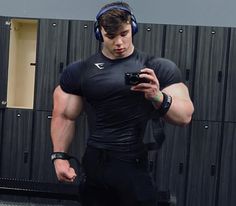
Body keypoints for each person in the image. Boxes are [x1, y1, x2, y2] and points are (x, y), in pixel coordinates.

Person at [50, 1, 194, 206]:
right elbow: (64, 115)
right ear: (99, 33)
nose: (119, 42)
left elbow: (185, 116)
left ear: (132, 28)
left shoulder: (157, 68)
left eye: (124, 33)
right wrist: (60, 157)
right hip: (94, 165)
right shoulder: (80, 71)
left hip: (132, 165)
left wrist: (157, 96)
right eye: (111, 36)